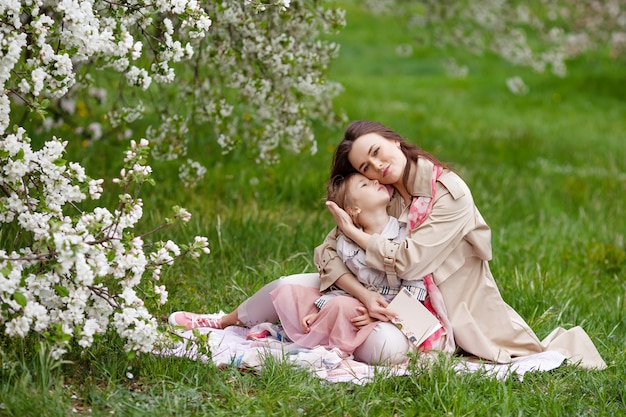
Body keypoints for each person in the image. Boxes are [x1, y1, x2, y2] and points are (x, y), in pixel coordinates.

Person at [170, 120, 606, 369]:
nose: (378, 166)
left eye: (379, 151)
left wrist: (357, 236)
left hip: (434, 303)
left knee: (387, 350)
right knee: (287, 281)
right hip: (371, 290)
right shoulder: (380, 194)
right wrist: (362, 294)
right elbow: (326, 253)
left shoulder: (446, 193)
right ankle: (222, 321)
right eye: (365, 166)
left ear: (394, 140)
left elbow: (412, 264)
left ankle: (309, 333)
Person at [268, 171, 453, 359]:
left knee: (385, 346)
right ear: (353, 209)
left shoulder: (404, 235)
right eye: (364, 185)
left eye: (372, 181)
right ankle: (323, 334)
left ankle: (331, 340)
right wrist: (325, 313)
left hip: (399, 314)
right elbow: (348, 290)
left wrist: (381, 314)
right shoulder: (347, 245)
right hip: (360, 310)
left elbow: (414, 288)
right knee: (334, 303)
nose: (375, 181)